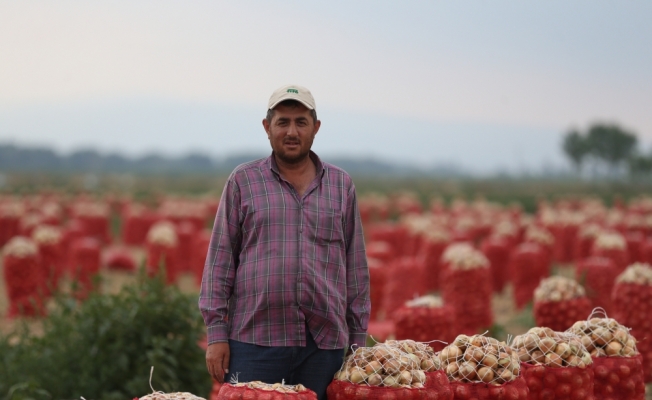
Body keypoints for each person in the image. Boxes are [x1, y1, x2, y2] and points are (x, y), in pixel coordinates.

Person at [199, 84, 370, 400]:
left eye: (301, 122)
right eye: (283, 122)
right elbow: (219, 262)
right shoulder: (243, 181)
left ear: (315, 128)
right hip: (254, 342)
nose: (292, 131)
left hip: (323, 345)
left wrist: (358, 340)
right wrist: (216, 334)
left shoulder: (341, 185)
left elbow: (355, 268)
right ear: (267, 127)